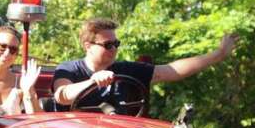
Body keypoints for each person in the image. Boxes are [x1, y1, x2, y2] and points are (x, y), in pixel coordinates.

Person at [52, 18, 238, 112]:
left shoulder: (125, 69)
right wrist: (92, 82)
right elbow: (62, 95)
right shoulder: (69, 69)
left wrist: (218, 55)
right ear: (88, 46)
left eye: (116, 44)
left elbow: (171, 71)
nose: (113, 49)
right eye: (108, 45)